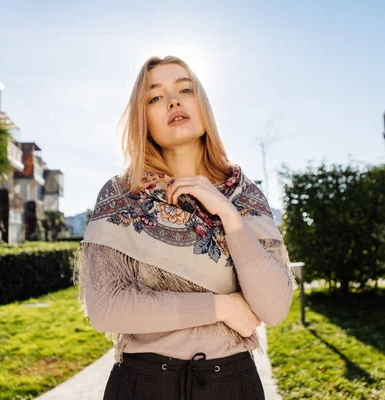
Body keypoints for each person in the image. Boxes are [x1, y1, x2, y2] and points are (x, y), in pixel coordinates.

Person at [75, 55, 297, 400]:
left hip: (233, 384)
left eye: (185, 89)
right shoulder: (121, 194)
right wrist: (221, 307)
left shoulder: (244, 194)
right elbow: (106, 307)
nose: (174, 101)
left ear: (202, 105)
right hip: (143, 383)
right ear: (143, 118)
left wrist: (227, 214)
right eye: (155, 97)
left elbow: (273, 308)